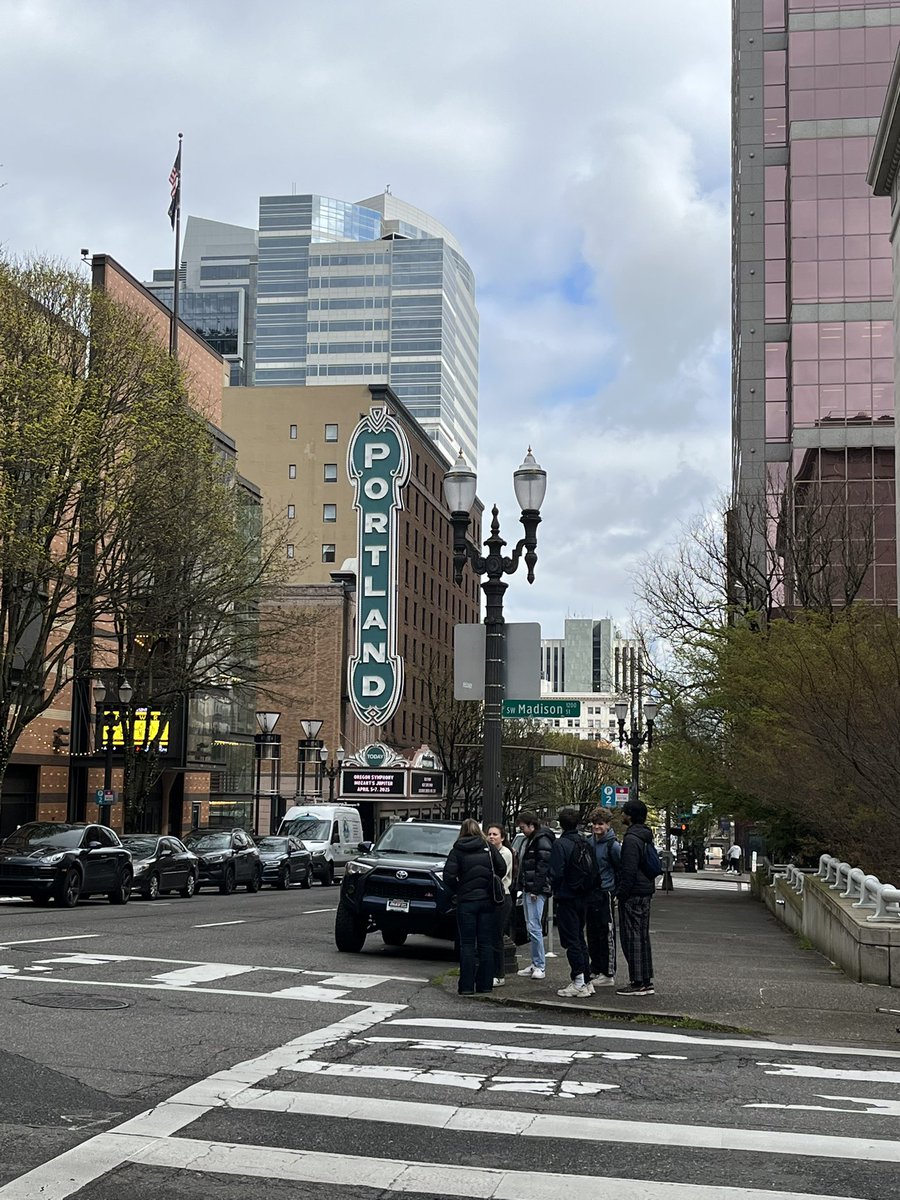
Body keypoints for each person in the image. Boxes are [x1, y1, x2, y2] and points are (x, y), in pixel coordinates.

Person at [444, 818, 506, 995]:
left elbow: (448, 876)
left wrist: (460, 889)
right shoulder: (488, 848)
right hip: (487, 901)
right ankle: (485, 985)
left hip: (467, 902)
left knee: (467, 944)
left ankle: (466, 986)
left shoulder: (457, 850)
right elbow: (501, 868)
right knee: (486, 943)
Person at [548, 807, 594, 997]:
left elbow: (556, 873)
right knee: (580, 938)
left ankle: (578, 981)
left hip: (567, 896)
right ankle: (587, 979)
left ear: (560, 823)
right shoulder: (585, 842)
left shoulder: (561, 845)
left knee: (571, 940)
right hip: (584, 895)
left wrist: (555, 887)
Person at [615, 798, 656, 997]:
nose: (621, 815)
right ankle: (645, 980)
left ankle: (637, 981)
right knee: (642, 936)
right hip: (645, 890)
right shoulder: (645, 836)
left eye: (624, 812)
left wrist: (620, 894)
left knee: (632, 937)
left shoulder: (631, 839)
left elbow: (628, 870)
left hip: (633, 893)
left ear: (630, 816)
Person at [515, 810, 555, 980]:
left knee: (534, 926)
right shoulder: (535, 839)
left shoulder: (538, 840)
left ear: (531, 825)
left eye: (523, 827)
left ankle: (539, 964)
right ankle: (536, 963)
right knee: (532, 925)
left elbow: (542, 866)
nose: (522, 830)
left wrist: (535, 889)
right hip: (531, 887)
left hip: (534, 889)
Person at [585, 809, 621, 987]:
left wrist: (616, 893)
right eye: (595, 823)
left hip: (606, 891)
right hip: (591, 891)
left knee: (606, 933)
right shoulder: (589, 842)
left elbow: (618, 868)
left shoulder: (612, 846)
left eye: (600, 824)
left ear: (608, 825)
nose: (597, 827)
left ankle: (608, 972)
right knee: (592, 932)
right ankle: (596, 967)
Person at [486, 824, 514, 987]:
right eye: (489, 834)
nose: (491, 837)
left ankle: (499, 973)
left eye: (495, 834)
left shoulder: (505, 853)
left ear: (502, 837)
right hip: (491, 897)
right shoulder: (489, 852)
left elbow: (500, 875)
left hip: (502, 896)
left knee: (497, 936)